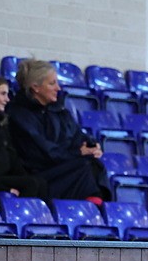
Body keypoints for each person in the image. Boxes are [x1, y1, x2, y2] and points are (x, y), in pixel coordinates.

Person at [6, 59, 110, 203]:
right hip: (40, 173)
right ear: (36, 87)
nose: (58, 88)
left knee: (94, 164)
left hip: (62, 166)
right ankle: (92, 210)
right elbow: (43, 152)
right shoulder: (19, 115)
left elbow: (77, 135)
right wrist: (78, 153)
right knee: (84, 166)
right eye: (52, 83)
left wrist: (91, 146)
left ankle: (94, 210)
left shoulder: (59, 110)